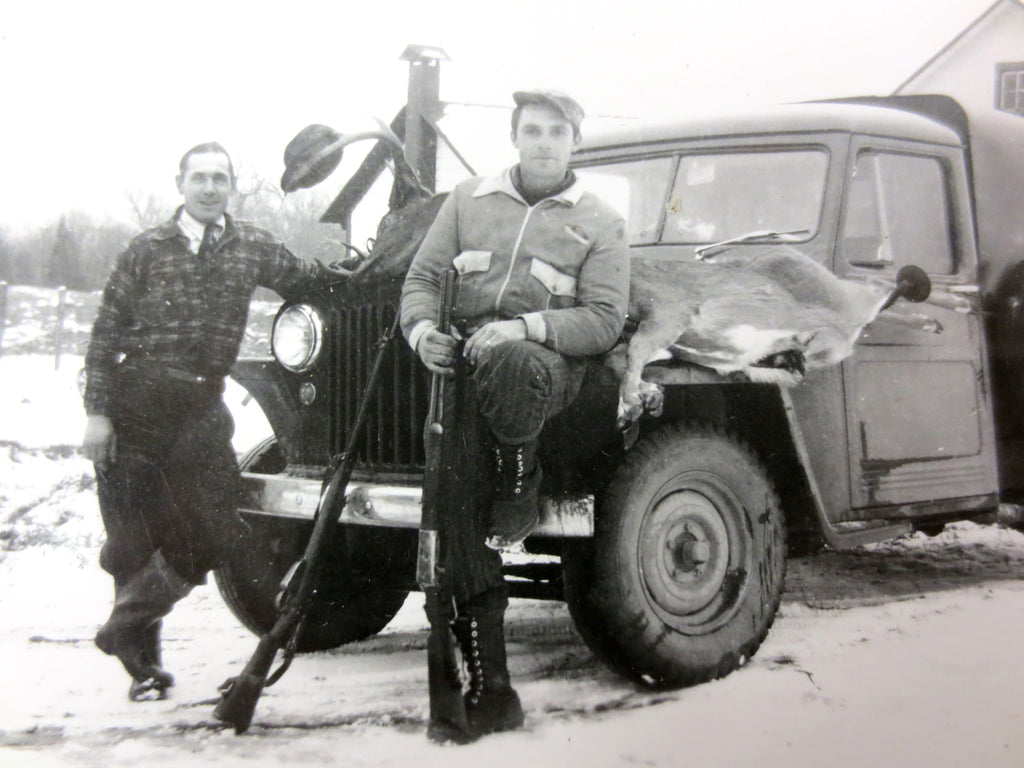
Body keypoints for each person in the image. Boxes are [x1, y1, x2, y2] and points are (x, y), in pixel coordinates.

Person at [400, 90, 630, 739]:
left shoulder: (601, 222)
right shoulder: (468, 200)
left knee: (511, 362)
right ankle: (491, 687)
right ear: (515, 136)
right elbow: (419, 281)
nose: (544, 142)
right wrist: (423, 335)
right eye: (532, 130)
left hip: (550, 368)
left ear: (576, 142)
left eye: (557, 131)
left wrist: (524, 325)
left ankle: (521, 473)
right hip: (469, 369)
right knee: (459, 509)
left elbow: (605, 321)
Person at [82, 142, 339, 701]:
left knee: (218, 523)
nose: (209, 188)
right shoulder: (145, 249)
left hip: (201, 405)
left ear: (231, 188)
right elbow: (104, 335)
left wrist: (373, 268)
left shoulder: (250, 245)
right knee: (134, 536)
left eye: (219, 178)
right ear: (180, 183)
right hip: (138, 399)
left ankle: (123, 624)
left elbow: (309, 278)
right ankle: (143, 667)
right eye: (199, 177)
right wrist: (98, 414)